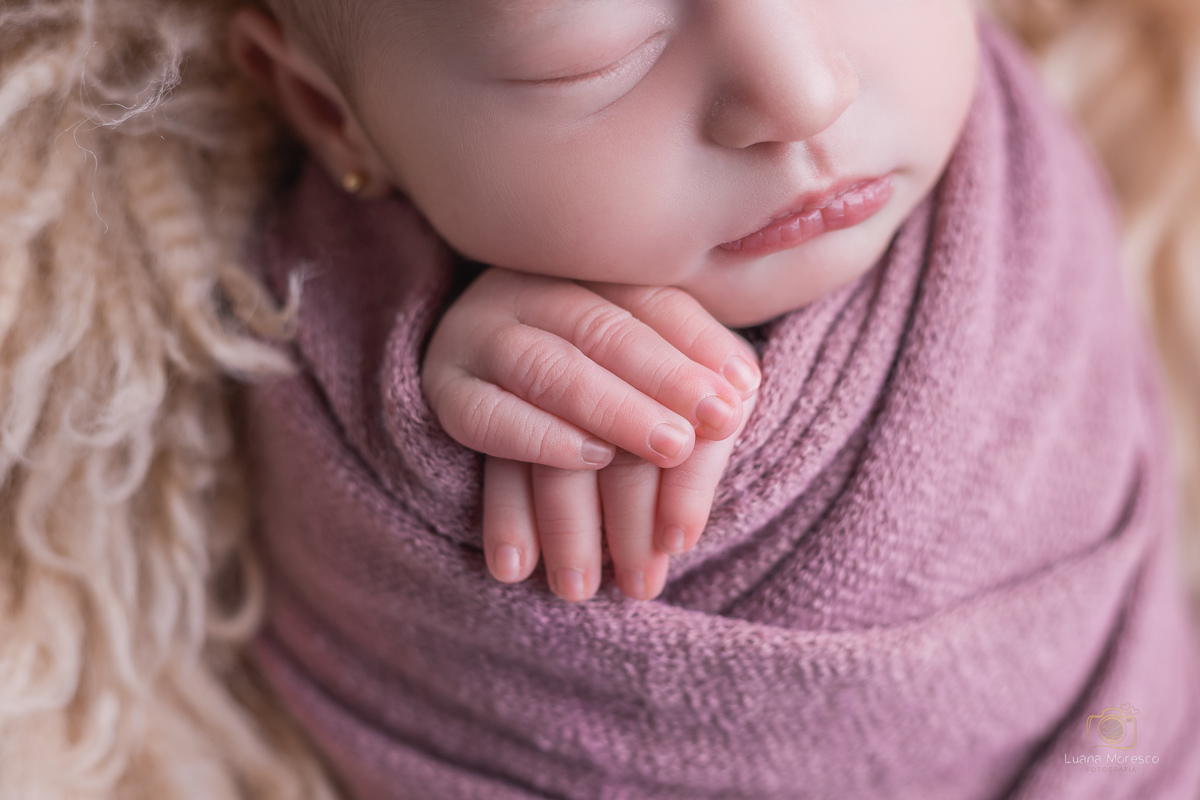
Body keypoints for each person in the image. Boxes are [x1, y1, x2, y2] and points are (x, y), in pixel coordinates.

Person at [1, 0, 1199, 797]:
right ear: (326, 108)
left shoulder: (1014, 195)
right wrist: (423, 398)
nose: (798, 90)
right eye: (590, 43)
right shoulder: (319, 325)